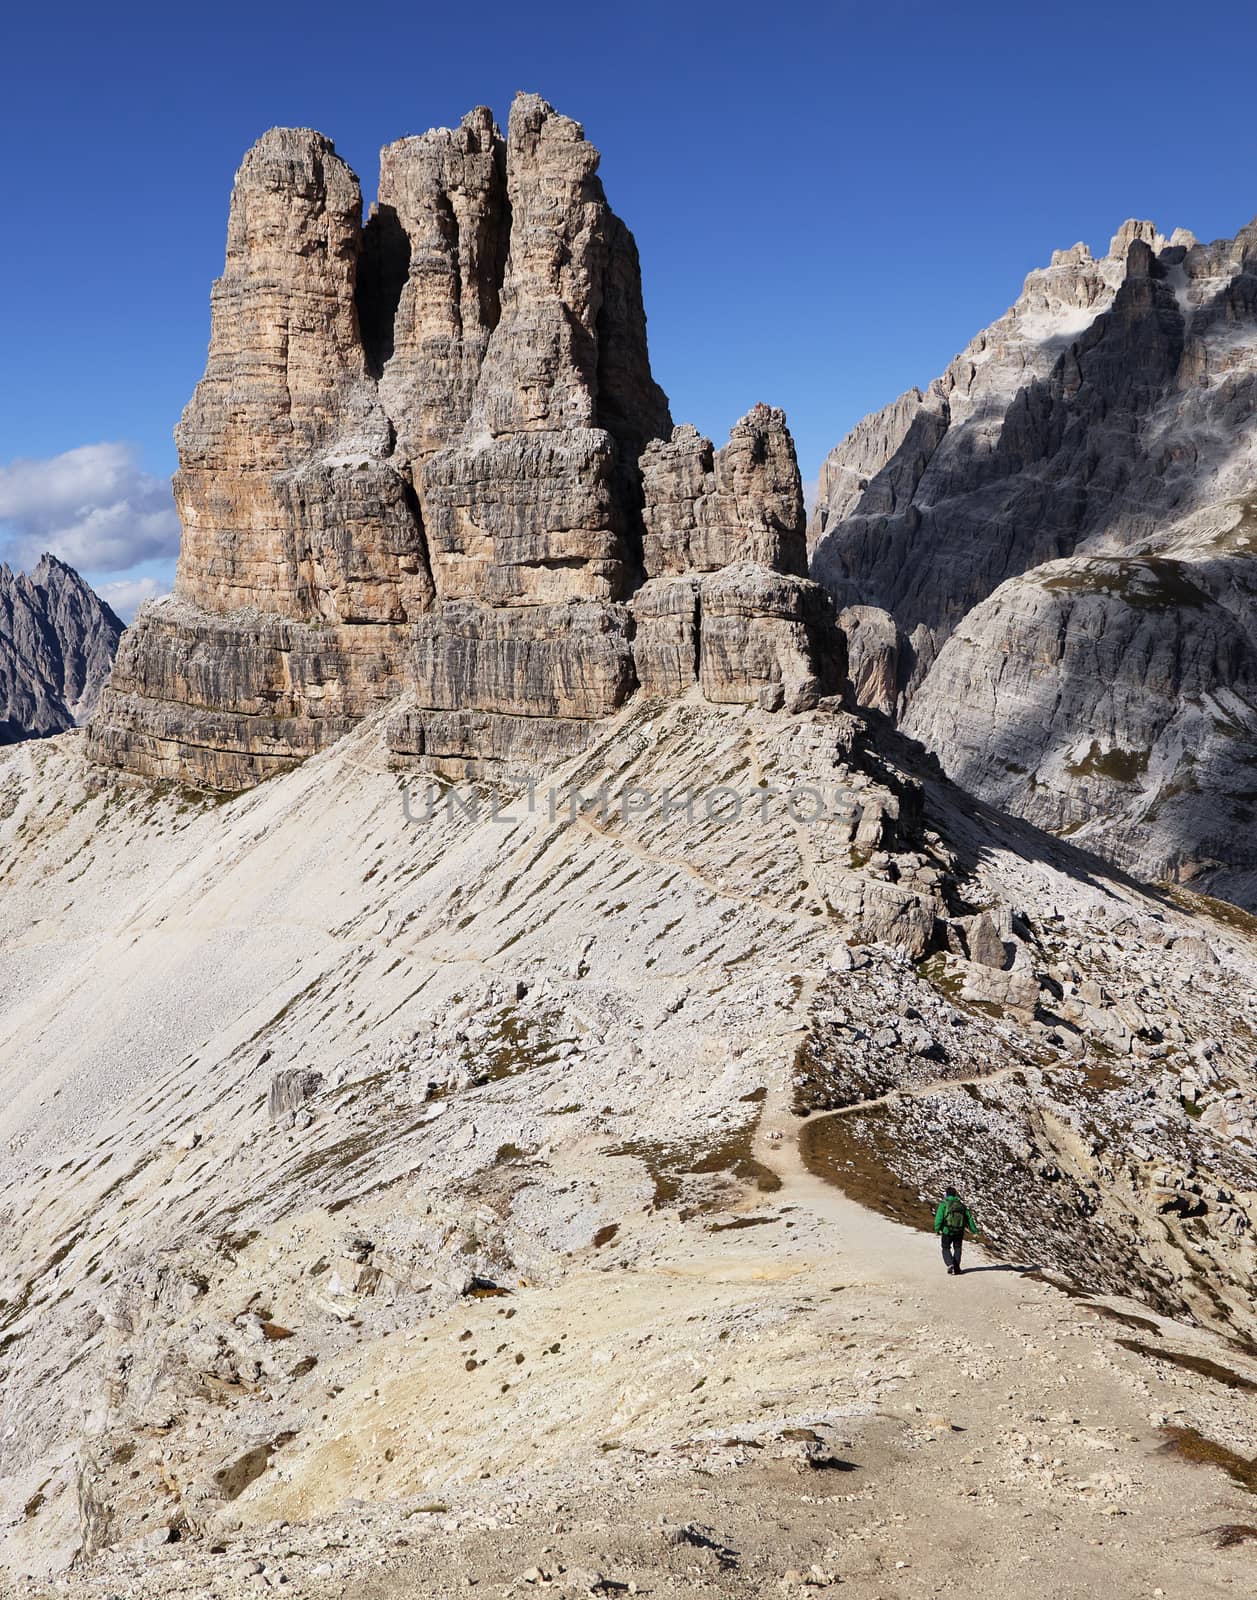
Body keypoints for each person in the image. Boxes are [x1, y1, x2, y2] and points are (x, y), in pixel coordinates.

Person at [934, 1186, 979, 1275]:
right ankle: (957, 1268)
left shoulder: (944, 1204)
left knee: (946, 1248)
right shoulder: (962, 1206)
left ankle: (950, 1264)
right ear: (955, 1194)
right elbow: (969, 1219)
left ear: (946, 1194)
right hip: (959, 1231)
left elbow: (939, 1218)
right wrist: (975, 1231)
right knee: (957, 1248)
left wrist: (937, 1229)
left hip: (947, 1230)